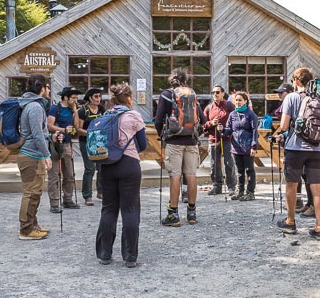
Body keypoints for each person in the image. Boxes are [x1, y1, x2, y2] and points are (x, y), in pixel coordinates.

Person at [95, 83, 147, 268]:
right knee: (130, 209)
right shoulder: (133, 116)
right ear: (129, 98)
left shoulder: (106, 116)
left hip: (107, 165)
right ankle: (130, 256)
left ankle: (104, 254)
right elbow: (143, 144)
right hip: (129, 164)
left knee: (108, 209)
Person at [275, 68, 320, 240]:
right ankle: (319, 227)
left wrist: (279, 133)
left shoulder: (291, 97)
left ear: (296, 81)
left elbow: (283, 125)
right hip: (316, 148)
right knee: (316, 188)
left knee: (291, 184)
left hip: (295, 147)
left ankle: (290, 221)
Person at [155, 69, 206, 227]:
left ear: (171, 80)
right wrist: (196, 133)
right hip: (191, 141)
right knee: (191, 175)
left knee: (175, 176)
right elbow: (203, 120)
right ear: (185, 80)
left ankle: (173, 214)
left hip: (173, 141)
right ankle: (191, 213)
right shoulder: (192, 95)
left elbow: (158, 120)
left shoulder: (165, 95)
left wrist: (161, 134)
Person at [17, 74, 54, 240]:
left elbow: (41, 133)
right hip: (31, 155)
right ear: (41, 88)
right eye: (47, 86)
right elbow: (37, 134)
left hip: (33, 154)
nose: (49, 90)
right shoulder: (35, 107)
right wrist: (47, 155)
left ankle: (33, 224)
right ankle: (25, 229)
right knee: (31, 192)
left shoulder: (33, 105)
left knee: (35, 192)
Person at [47, 86, 82, 212]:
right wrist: (63, 130)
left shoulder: (72, 110)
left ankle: (68, 199)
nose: (75, 100)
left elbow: (77, 126)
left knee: (69, 174)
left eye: (76, 98)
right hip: (55, 144)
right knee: (54, 175)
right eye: (73, 98)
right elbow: (49, 125)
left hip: (67, 144)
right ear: (65, 97)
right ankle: (55, 203)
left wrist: (75, 110)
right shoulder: (55, 108)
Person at [273, 83, 306, 212]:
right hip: (293, 140)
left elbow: (284, 125)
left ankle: (297, 203)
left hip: (295, 144)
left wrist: (284, 132)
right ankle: (303, 202)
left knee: (296, 174)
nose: (279, 95)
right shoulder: (289, 103)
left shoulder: (293, 102)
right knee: (300, 174)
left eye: (282, 92)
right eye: (278, 93)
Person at [222, 91, 258, 200]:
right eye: (236, 100)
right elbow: (229, 129)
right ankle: (240, 191)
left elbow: (255, 131)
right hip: (236, 147)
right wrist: (222, 131)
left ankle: (250, 192)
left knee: (249, 170)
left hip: (247, 147)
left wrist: (254, 146)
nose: (237, 102)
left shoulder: (251, 114)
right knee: (239, 170)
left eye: (240, 100)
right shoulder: (232, 114)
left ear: (245, 101)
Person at [202, 84, 235, 196]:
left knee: (228, 163)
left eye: (217, 92)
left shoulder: (229, 105)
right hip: (213, 138)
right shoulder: (209, 108)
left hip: (227, 138)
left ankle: (231, 187)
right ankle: (217, 186)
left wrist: (226, 128)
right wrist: (211, 123)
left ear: (223, 94)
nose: (215, 94)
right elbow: (203, 125)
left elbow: (235, 120)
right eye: (213, 92)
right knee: (214, 164)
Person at [76, 88, 105, 205]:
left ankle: (101, 191)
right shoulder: (83, 111)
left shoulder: (102, 109)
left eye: (99, 96)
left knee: (102, 167)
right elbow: (78, 129)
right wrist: (90, 133)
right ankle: (87, 195)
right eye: (96, 96)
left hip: (100, 141)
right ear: (89, 98)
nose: (98, 99)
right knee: (89, 168)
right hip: (86, 141)